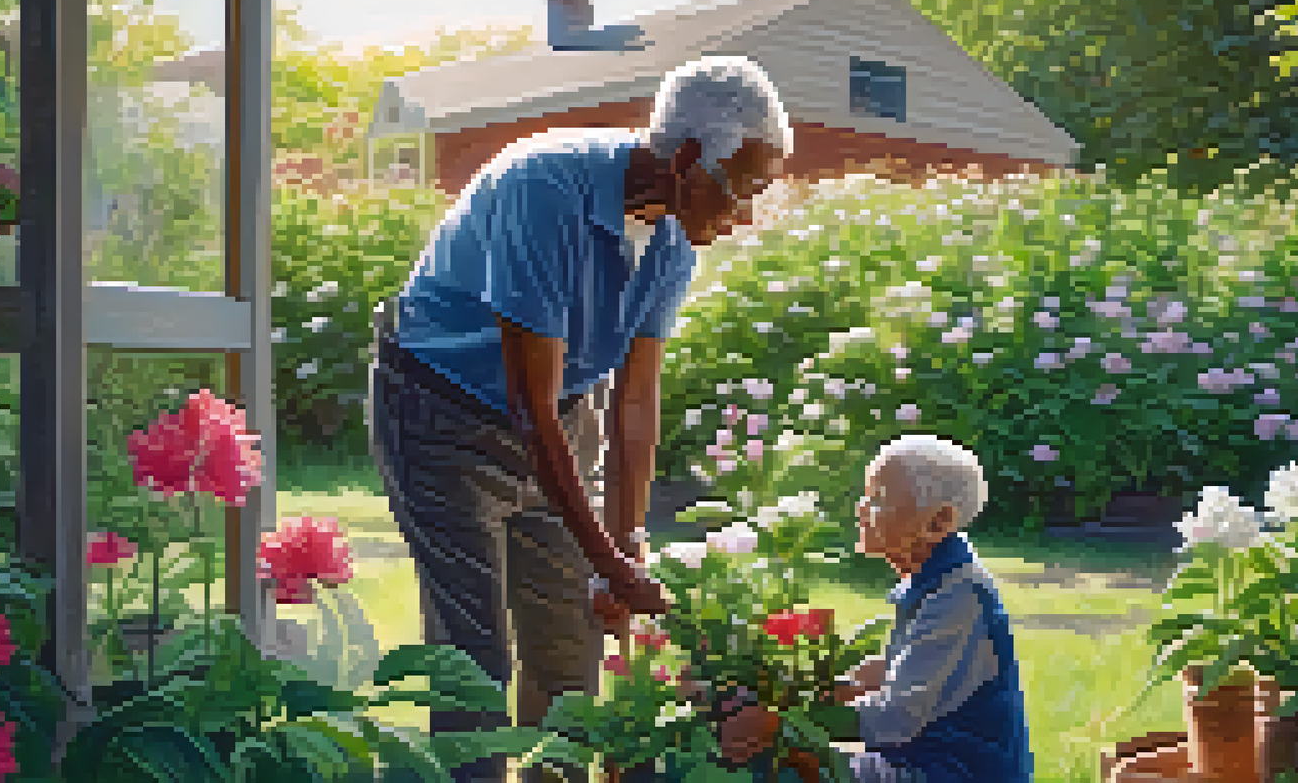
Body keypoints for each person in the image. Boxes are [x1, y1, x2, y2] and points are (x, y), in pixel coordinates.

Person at [370, 55, 792, 783]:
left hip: (563, 417)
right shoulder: (542, 187)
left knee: (570, 652)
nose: (746, 214)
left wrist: (625, 545)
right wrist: (611, 566)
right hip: (441, 412)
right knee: (474, 664)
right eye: (744, 189)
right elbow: (528, 408)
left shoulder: (670, 244)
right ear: (687, 158)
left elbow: (633, 403)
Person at [719, 435, 1035, 782]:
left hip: (953, 771)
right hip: (927, 759)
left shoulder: (958, 597)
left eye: (878, 500)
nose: (861, 510)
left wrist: (785, 723)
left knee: (780, 765)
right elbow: (887, 670)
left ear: (937, 523)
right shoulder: (936, 579)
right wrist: (811, 692)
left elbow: (893, 720)